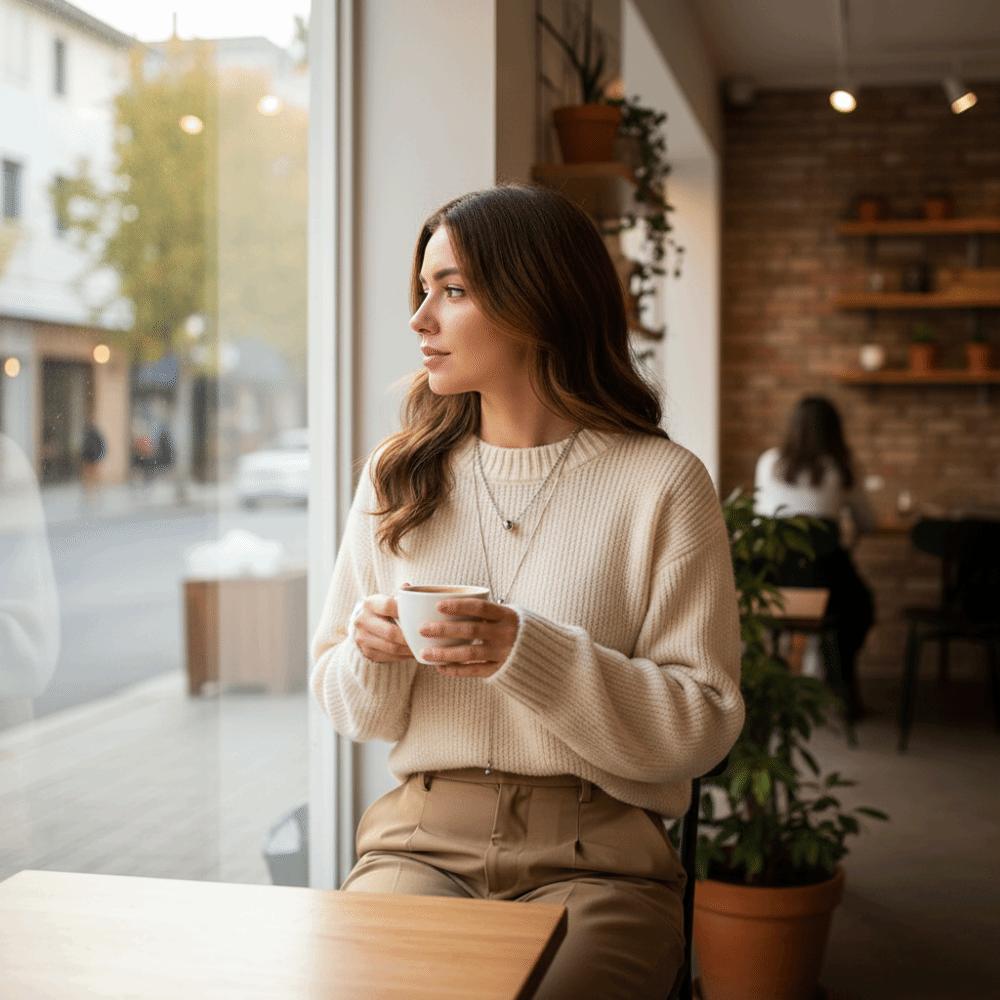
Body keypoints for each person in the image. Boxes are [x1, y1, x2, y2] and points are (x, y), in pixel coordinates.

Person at [309, 184, 744, 999]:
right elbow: (352, 710)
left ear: (538, 301)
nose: (420, 320)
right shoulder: (399, 475)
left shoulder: (661, 484)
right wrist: (371, 652)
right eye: (423, 290)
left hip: (602, 857)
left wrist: (525, 650)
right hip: (418, 843)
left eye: (453, 291)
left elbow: (705, 725)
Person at [753, 395, 876, 720]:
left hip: (774, 588)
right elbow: (868, 522)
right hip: (825, 591)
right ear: (834, 430)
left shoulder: (769, 462)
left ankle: (770, 687)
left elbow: (757, 519)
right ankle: (840, 681)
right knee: (860, 607)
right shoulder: (840, 467)